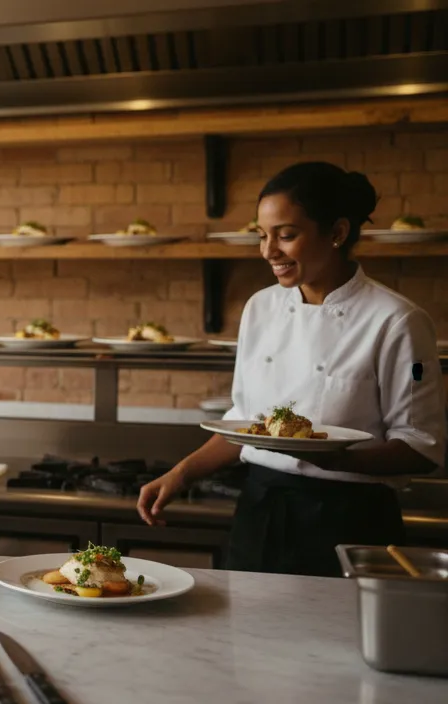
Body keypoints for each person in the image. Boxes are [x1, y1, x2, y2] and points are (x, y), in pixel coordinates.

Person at [137, 162, 446, 576]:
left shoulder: (397, 322)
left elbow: (421, 447)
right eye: (262, 236)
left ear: (336, 233)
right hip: (260, 510)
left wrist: (335, 460)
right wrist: (179, 474)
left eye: (286, 235)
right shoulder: (260, 308)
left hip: (350, 520)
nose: (269, 251)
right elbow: (244, 421)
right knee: (247, 640)